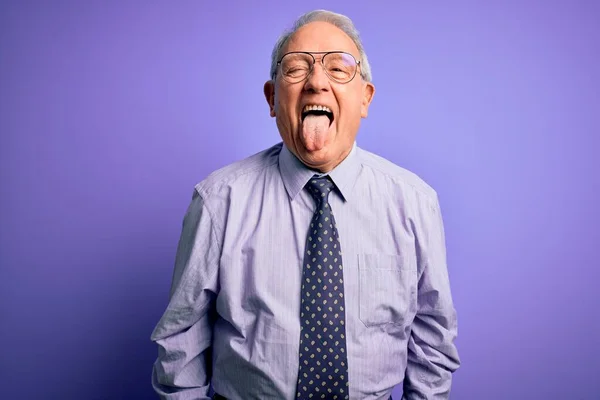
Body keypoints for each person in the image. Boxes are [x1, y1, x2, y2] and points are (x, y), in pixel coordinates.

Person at [151, 9, 460, 400]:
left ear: (365, 98)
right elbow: (181, 349)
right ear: (272, 98)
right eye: (296, 68)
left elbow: (433, 344)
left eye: (338, 68)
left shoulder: (415, 205)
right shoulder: (218, 202)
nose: (316, 82)